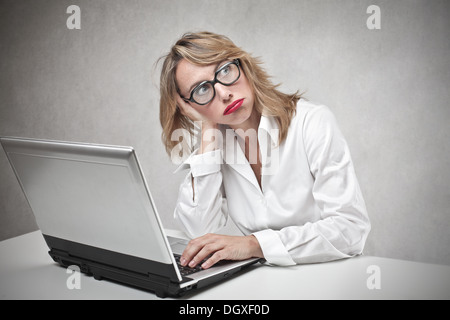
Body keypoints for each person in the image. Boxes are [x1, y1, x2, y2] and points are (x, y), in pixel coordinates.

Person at [158, 31, 370, 269]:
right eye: (202, 90)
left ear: (243, 65)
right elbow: (199, 230)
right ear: (188, 106)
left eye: (225, 70)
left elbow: (351, 229)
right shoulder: (217, 145)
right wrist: (207, 127)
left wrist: (254, 244)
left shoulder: (312, 121)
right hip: (263, 283)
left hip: (328, 274)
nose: (224, 93)